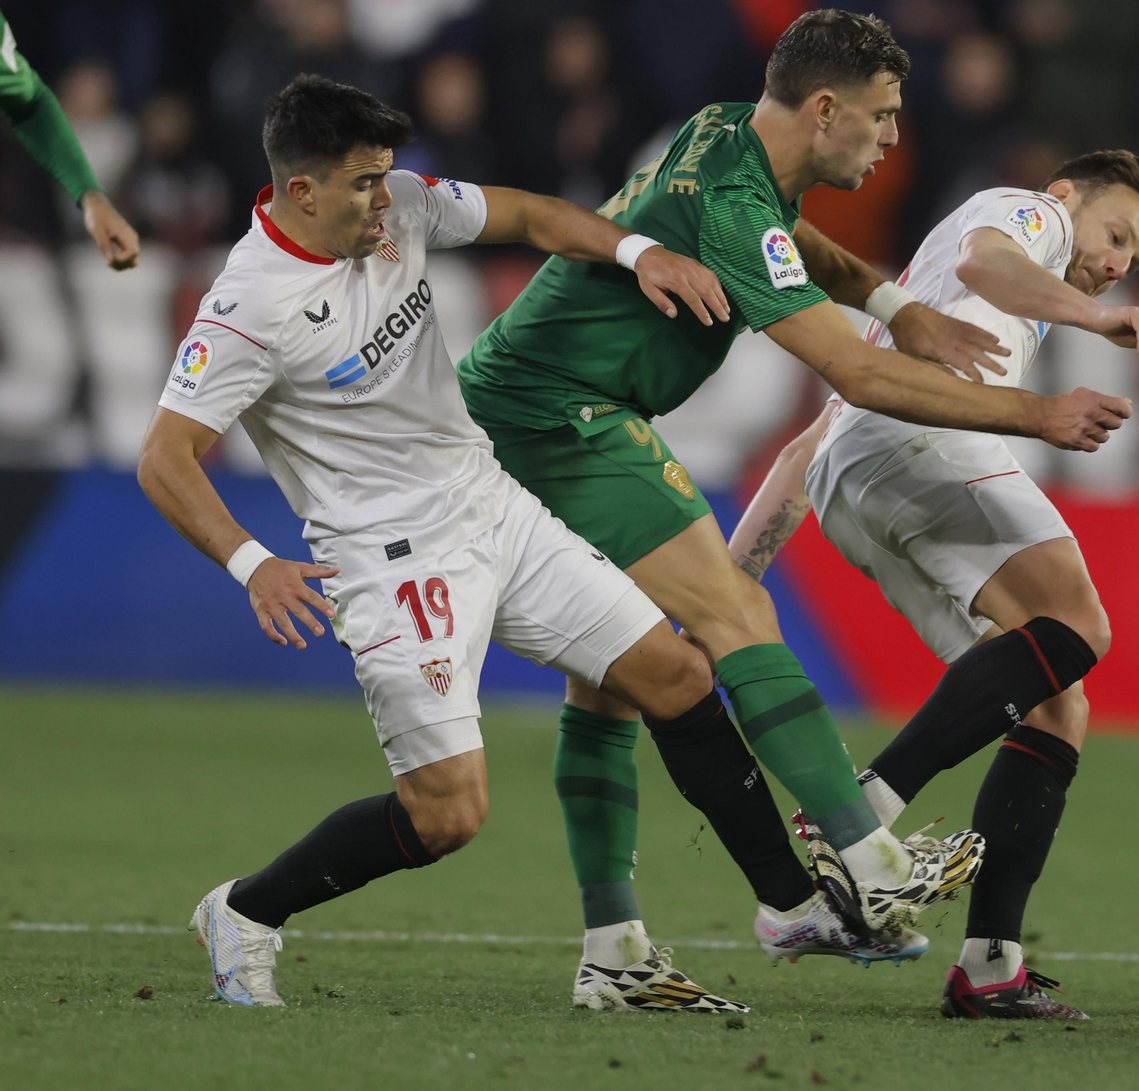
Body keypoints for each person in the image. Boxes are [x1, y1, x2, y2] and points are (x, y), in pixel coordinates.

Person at [455, 8, 1139, 967]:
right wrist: (1038, 414)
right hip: (561, 414)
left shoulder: (725, 132)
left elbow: (800, 248)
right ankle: (866, 856)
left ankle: (618, 950)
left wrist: (896, 305)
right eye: (883, 115)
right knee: (736, 615)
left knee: (626, 679)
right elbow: (853, 376)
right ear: (826, 110)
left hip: (526, 402)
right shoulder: (743, 204)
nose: (895, 136)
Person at [136, 74, 773, 1014]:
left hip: (491, 504)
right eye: (362, 183)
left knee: (676, 677)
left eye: (385, 175)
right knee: (449, 814)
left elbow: (535, 215)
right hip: (390, 561)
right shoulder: (248, 309)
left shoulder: (399, 205)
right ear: (299, 191)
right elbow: (164, 457)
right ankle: (243, 911)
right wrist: (253, 562)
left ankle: (732, 923)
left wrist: (639, 250)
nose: (384, 198)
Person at [727, 149, 1139, 1019]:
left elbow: (808, 446)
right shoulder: (1026, 216)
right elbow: (988, 260)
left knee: (1057, 699)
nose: (1123, 264)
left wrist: (723, 589)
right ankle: (855, 818)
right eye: (1118, 233)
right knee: (1079, 623)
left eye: (1138, 261)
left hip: (854, 476)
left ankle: (989, 967)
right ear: (1065, 198)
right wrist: (1100, 317)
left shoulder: (932, 291)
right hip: (919, 437)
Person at [0, 10, 139, 269]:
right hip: (48, 239)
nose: (88, 94)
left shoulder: (122, 135)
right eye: (82, 85)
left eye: (96, 86)